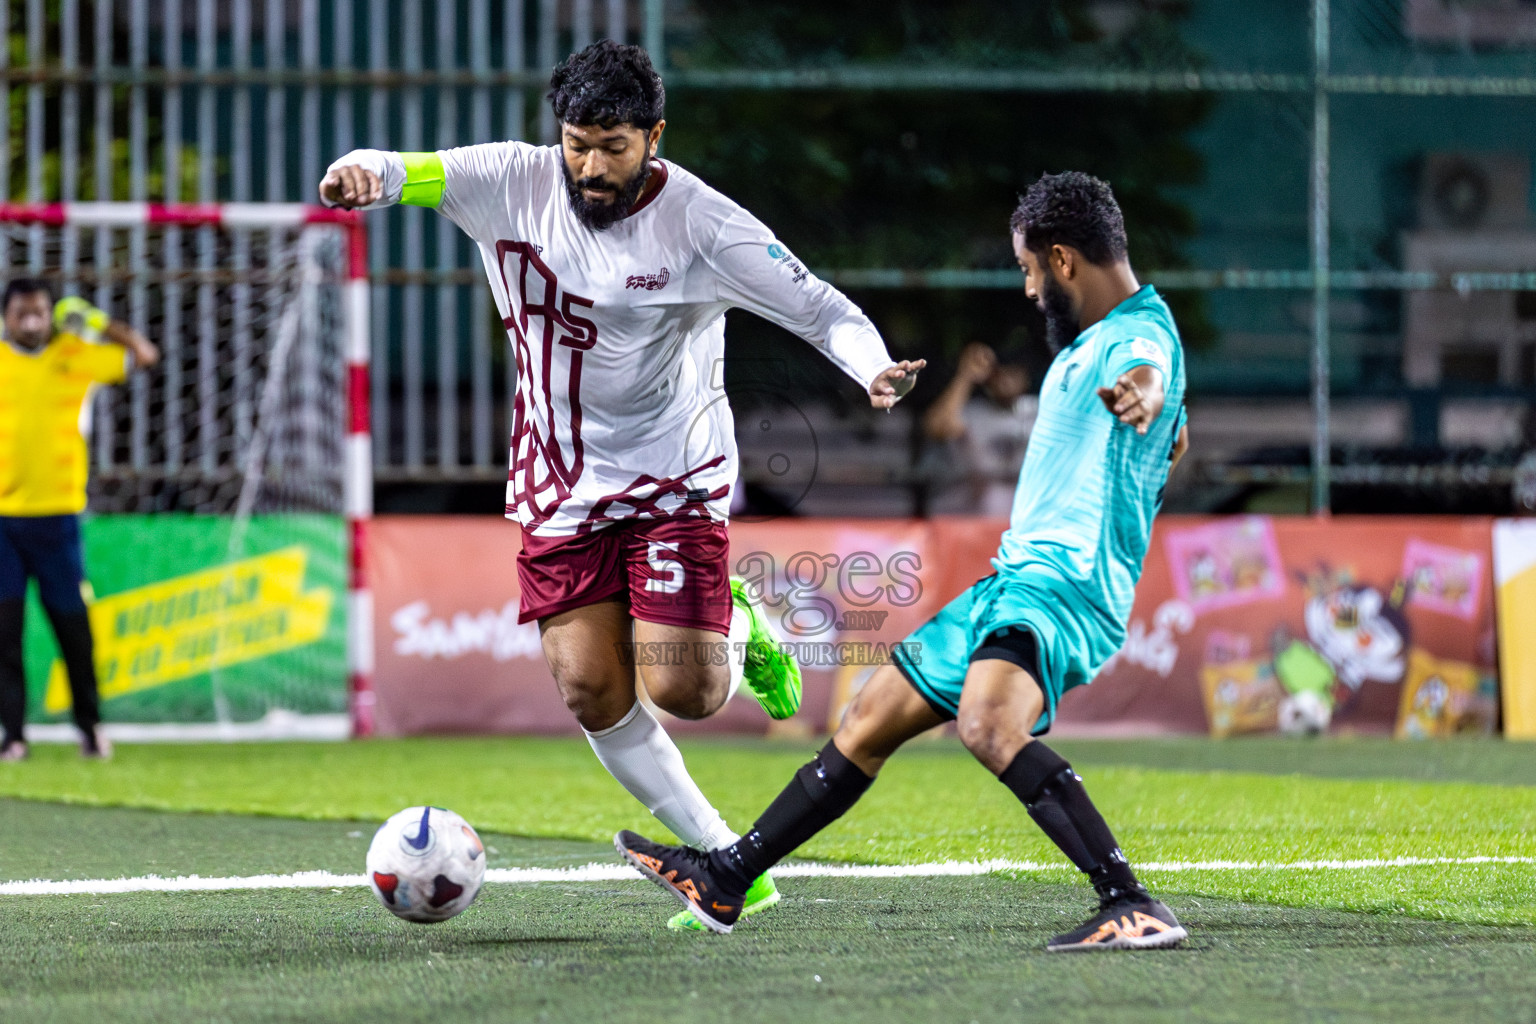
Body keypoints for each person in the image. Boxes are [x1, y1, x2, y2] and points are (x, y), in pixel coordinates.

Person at [318, 41, 924, 931]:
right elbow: (403, 172)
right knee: (591, 691)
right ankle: (731, 864)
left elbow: (822, 307)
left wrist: (869, 369)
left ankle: (741, 618)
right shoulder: (507, 180)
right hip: (557, 482)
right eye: (576, 144)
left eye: (613, 146)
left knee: (685, 690)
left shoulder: (704, 224)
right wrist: (357, 176)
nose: (592, 167)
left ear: (655, 137)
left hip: (673, 477)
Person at [616, 171, 1192, 951]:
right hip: (1015, 582)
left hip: (1063, 589)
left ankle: (1130, 901)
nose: (1027, 291)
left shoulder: (1136, 339)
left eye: (1028, 270)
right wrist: (1163, 422)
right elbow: (1170, 427)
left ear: (1063, 261)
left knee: (989, 726)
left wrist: (1146, 393)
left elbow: (1149, 370)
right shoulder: (1097, 345)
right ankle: (727, 879)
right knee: (867, 719)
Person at [0, 280, 160, 762]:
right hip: (3, 521)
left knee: (74, 630)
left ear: (52, 315)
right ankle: (13, 736)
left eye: (40, 312)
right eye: (22, 313)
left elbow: (144, 354)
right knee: (5, 635)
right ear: (6, 318)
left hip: (59, 518)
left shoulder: (74, 353)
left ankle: (89, 728)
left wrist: (95, 320)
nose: (32, 321)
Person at [921, 342, 1037, 516]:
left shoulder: (1037, 409)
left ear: (1025, 376)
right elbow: (937, 428)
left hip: (1022, 514)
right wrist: (966, 376)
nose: (1006, 379)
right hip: (971, 512)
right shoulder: (974, 412)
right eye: (1000, 373)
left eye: (1013, 372)